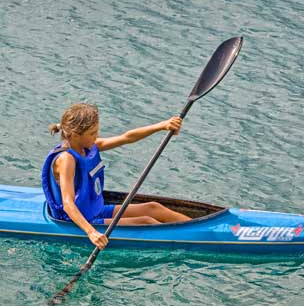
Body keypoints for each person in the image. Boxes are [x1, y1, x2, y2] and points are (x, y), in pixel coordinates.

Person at [41, 103, 191, 249]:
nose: (96, 136)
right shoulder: (66, 159)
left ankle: (200, 229)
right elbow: (68, 204)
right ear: (74, 135)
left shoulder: (86, 147)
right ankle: (192, 240)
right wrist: (91, 232)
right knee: (146, 221)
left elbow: (127, 137)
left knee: (153, 208)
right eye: (92, 133)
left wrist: (162, 126)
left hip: (95, 210)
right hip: (81, 220)